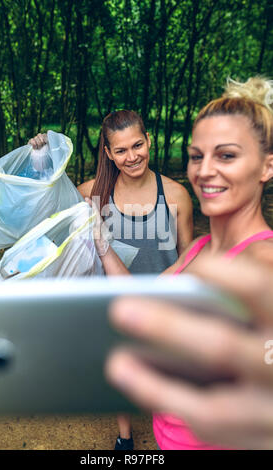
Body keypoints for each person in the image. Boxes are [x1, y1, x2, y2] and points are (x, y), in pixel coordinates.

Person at [95, 76, 273, 449]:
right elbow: (139, 300)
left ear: (266, 166)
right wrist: (102, 243)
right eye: (197, 156)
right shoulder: (199, 250)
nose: (204, 170)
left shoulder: (264, 260)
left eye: (226, 155)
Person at [28, 110, 193, 450]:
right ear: (107, 152)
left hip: (165, 306)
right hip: (116, 307)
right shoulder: (92, 194)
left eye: (138, 145)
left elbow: (190, 256)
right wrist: (42, 161)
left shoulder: (175, 195)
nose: (132, 156)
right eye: (121, 150)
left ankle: (176, 432)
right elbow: (49, 209)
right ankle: (125, 438)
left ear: (149, 141)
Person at [105, 253, 273, 450]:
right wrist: (104, 248)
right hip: (167, 432)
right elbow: (143, 297)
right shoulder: (200, 246)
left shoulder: (265, 253)